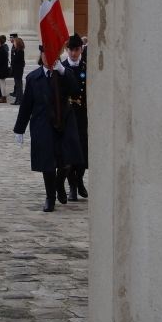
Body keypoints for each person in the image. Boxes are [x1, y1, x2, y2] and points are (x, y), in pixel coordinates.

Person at [13, 45, 84, 212]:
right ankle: (50, 197)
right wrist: (19, 128)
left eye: (50, 53)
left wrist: (63, 72)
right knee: (48, 161)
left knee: (66, 160)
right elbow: (27, 104)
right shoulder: (33, 77)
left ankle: (59, 183)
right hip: (43, 122)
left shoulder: (64, 73)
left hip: (64, 121)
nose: (47, 57)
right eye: (44, 53)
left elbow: (74, 88)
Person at [63, 33, 88, 200]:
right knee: (69, 152)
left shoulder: (86, 67)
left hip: (82, 114)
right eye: (71, 50)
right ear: (66, 50)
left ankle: (80, 179)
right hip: (67, 114)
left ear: (81, 50)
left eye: (77, 50)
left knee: (83, 151)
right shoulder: (62, 67)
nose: (74, 53)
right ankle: (72, 184)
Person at [0, 35, 9, 103]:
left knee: (2, 83)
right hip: (1, 68)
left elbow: (0, 60)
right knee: (1, 83)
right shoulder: (1, 49)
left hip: (2, 69)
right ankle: (3, 95)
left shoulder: (2, 50)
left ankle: (3, 96)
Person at [11, 37, 26, 105]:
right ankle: (18, 98)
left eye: (15, 42)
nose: (14, 44)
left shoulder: (20, 52)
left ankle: (19, 99)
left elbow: (15, 60)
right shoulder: (16, 51)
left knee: (18, 85)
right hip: (16, 70)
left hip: (18, 70)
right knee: (17, 85)